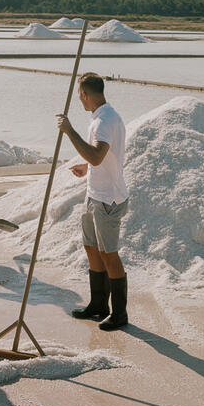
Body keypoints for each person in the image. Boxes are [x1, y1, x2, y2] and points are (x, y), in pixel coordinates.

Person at [56, 73, 129, 331]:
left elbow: (98, 156)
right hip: (94, 193)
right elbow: (101, 158)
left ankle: (120, 314)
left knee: (109, 255)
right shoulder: (102, 116)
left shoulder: (104, 121)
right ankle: (99, 305)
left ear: (86, 94)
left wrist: (69, 131)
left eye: (80, 96)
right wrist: (86, 167)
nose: (79, 100)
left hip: (108, 198)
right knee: (91, 248)